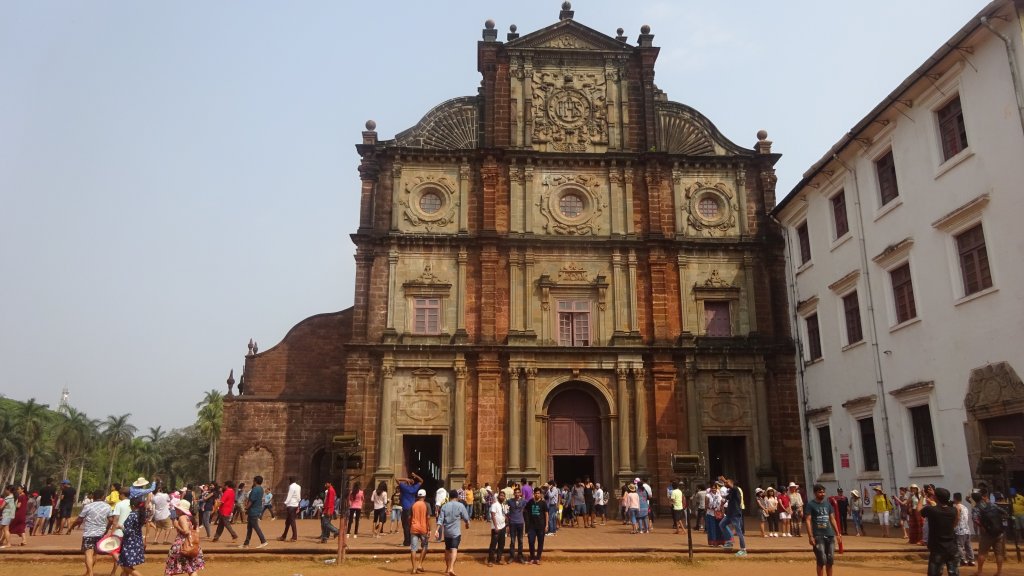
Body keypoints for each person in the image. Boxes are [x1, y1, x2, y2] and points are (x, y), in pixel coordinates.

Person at [918, 487, 957, 576]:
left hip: (937, 548)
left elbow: (918, 510)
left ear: (936, 498)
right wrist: (936, 495)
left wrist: (922, 497)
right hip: (952, 546)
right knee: (953, 573)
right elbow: (955, 523)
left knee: (934, 573)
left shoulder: (931, 510)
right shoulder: (954, 510)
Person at [805, 483, 842, 576]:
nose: (822, 494)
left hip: (830, 534)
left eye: (823, 492)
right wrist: (810, 536)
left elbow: (832, 519)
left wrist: (838, 533)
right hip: (818, 535)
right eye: (820, 492)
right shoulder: (810, 505)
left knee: (830, 559)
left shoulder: (828, 504)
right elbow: (808, 520)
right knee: (821, 560)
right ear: (815, 493)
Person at [972, 488, 1008, 576]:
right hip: (999, 533)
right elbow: (1004, 513)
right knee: (999, 554)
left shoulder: (976, 508)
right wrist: (1000, 522)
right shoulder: (992, 504)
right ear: (982, 497)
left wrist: (982, 526)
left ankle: (980, 572)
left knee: (982, 553)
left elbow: (975, 519)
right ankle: (999, 572)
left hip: (987, 534)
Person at [164, 499, 204, 576]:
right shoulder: (192, 518)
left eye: (177, 509)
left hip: (182, 545)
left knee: (170, 568)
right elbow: (197, 531)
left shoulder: (182, 517)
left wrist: (177, 525)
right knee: (191, 568)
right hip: (192, 545)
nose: (176, 510)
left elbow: (186, 531)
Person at [436, 489, 471, 576]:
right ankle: (451, 568)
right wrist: (467, 524)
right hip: (456, 532)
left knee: (447, 549)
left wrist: (437, 530)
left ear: (449, 497)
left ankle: (447, 568)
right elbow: (466, 517)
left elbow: (440, 519)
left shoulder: (444, 506)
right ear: (457, 497)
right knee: (454, 549)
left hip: (447, 532)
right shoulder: (460, 505)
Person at [118, 497, 148, 576]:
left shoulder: (132, 515)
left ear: (133, 506)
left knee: (126, 567)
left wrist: (121, 527)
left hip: (129, 543)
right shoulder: (140, 515)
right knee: (127, 565)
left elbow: (128, 531)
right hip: (137, 542)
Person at [719, 475, 747, 556]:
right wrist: (721, 505)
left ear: (731, 483)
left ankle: (743, 549)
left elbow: (731, 486)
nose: (725, 484)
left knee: (739, 532)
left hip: (735, 514)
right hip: (730, 514)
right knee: (722, 524)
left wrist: (724, 480)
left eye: (727, 482)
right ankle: (729, 541)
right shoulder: (731, 491)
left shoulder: (736, 489)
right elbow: (726, 498)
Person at [107, 485, 132, 576]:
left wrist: (112, 533)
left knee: (114, 552)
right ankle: (117, 572)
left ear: (122, 494)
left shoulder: (119, 504)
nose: (118, 496)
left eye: (119, 494)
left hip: (118, 532)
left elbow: (115, 520)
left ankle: (124, 568)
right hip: (129, 532)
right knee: (124, 553)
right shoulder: (132, 504)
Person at [241, 475, 268, 549]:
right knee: (249, 527)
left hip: (253, 510)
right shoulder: (261, 489)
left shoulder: (255, 489)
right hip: (256, 509)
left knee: (255, 526)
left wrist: (246, 507)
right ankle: (246, 543)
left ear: (255, 481)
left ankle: (263, 541)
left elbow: (251, 500)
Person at [397, 472, 423, 547]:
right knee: (413, 525)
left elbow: (396, 479)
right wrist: (416, 476)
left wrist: (406, 479)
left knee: (406, 526)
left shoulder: (404, 487)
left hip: (406, 509)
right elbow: (421, 481)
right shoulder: (414, 488)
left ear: (407, 482)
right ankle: (414, 541)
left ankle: (407, 542)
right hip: (413, 508)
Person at [525, 485, 548, 564]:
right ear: (533, 494)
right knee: (531, 541)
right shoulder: (530, 502)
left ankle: (538, 558)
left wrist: (547, 525)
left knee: (540, 542)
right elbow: (525, 510)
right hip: (532, 526)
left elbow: (546, 514)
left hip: (541, 526)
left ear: (540, 494)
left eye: (538, 493)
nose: (537, 495)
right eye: (536, 493)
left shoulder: (543, 503)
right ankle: (532, 557)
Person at [409, 488, 430, 575]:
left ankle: (414, 569)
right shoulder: (427, 505)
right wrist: (429, 529)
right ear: (424, 496)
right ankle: (420, 564)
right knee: (425, 546)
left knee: (413, 549)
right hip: (423, 528)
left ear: (418, 496)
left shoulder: (413, 505)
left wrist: (410, 524)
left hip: (414, 528)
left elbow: (409, 517)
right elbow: (428, 518)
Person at [952, 492, 975, 568]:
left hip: (960, 530)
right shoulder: (965, 507)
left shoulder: (956, 507)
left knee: (959, 546)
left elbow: (957, 518)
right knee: (968, 546)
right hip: (967, 529)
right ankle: (972, 560)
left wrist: (953, 526)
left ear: (954, 498)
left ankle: (963, 560)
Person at [486, 490, 507, 566]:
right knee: (493, 544)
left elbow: (504, 515)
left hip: (503, 526)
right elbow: (493, 515)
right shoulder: (495, 505)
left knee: (501, 544)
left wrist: (506, 525)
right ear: (498, 497)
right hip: (496, 527)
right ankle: (490, 560)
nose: (502, 497)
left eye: (503, 496)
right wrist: (495, 526)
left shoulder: (503, 505)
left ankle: (499, 559)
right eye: (501, 495)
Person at [506, 486, 526, 563]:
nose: (517, 494)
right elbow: (505, 508)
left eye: (518, 492)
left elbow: (528, 506)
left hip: (520, 522)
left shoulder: (523, 501)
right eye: (516, 493)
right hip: (512, 523)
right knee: (512, 540)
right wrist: (507, 519)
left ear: (520, 493)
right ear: (513, 493)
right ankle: (511, 556)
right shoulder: (510, 501)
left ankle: (520, 556)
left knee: (520, 540)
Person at [279, 476, 301, 542]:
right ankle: (284, 536)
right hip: (295, 505)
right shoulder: (298, 486)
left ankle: (294, 537)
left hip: (290, 505)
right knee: (288, 522)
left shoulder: (291, 486)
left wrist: (285, 503)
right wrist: (297, 504)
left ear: (290, 481)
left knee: (292, 521)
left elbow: (289, 495)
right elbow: (298, 497)